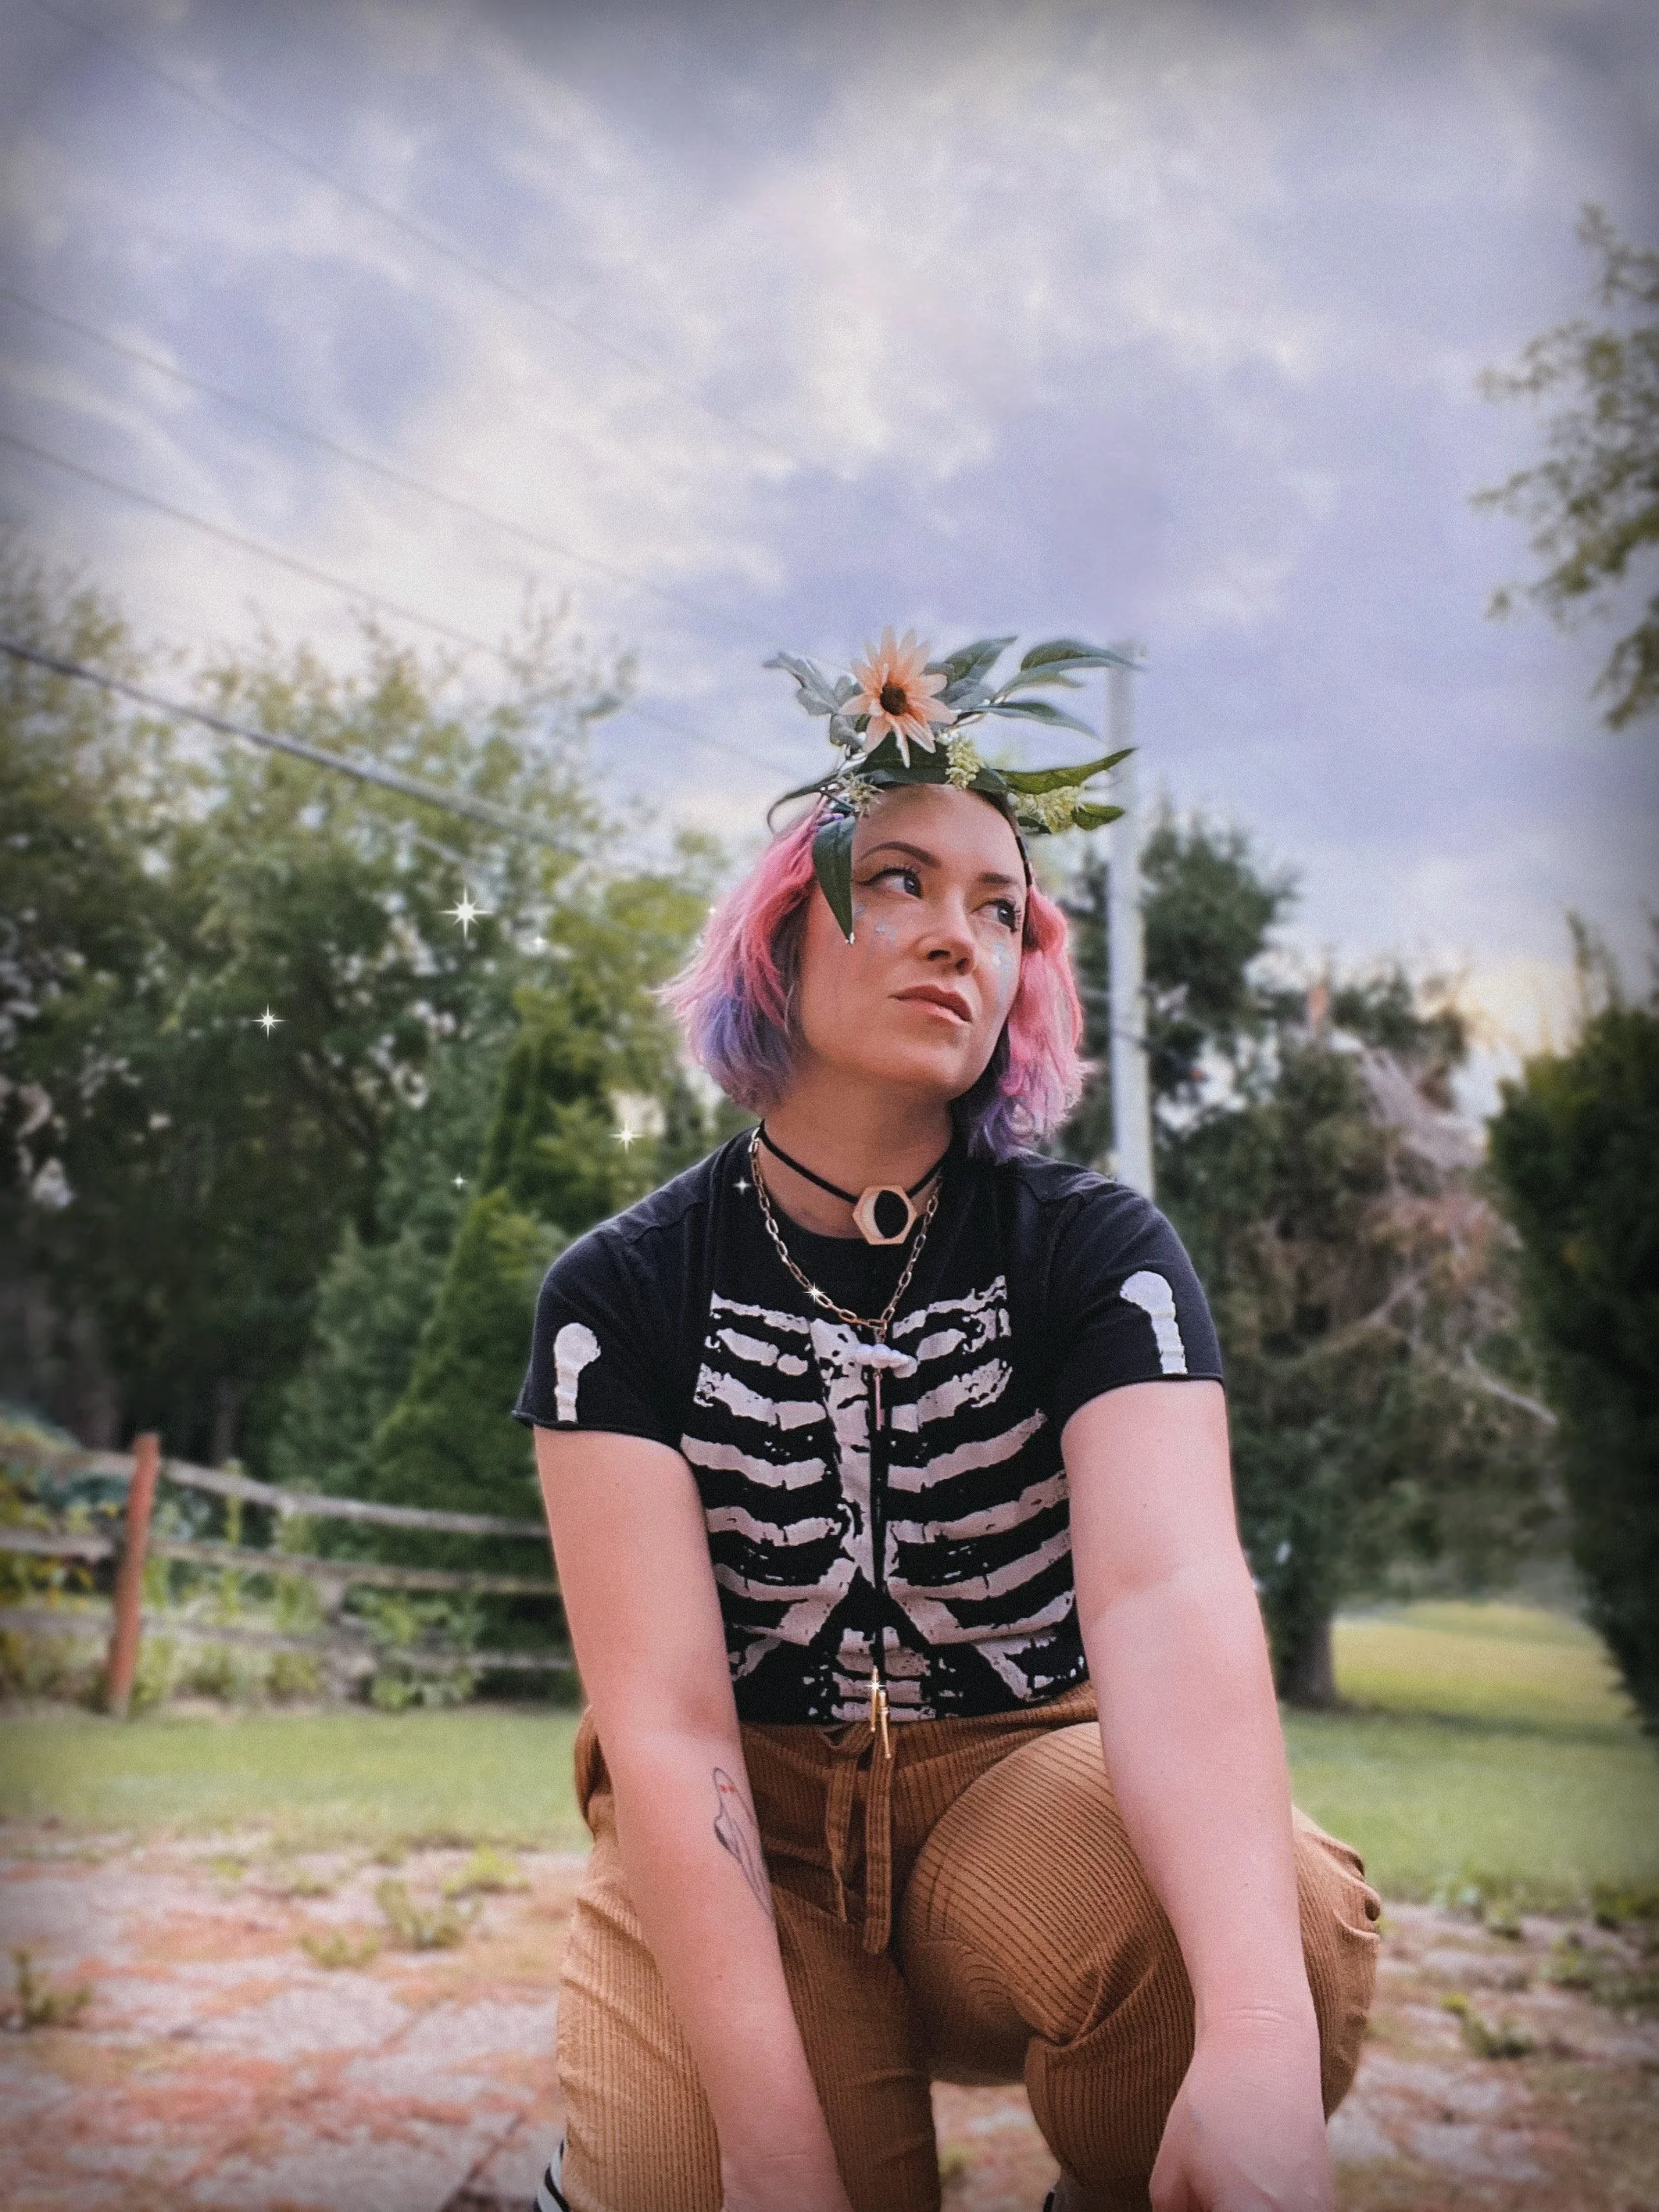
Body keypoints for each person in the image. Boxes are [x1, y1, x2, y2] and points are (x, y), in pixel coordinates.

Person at [515, 633, 1378, 2212]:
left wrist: (1257, 2045)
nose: (954, 935)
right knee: (692, 2186)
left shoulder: (1097, 1254)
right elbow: (671, 1724)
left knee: (1284, 1941)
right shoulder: (617, 1292)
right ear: (779, 933)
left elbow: (1167, 1594)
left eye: (998, 909)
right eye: (897, 880)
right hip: (747, 1823)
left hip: (1013, 1790)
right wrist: (780, 2167)